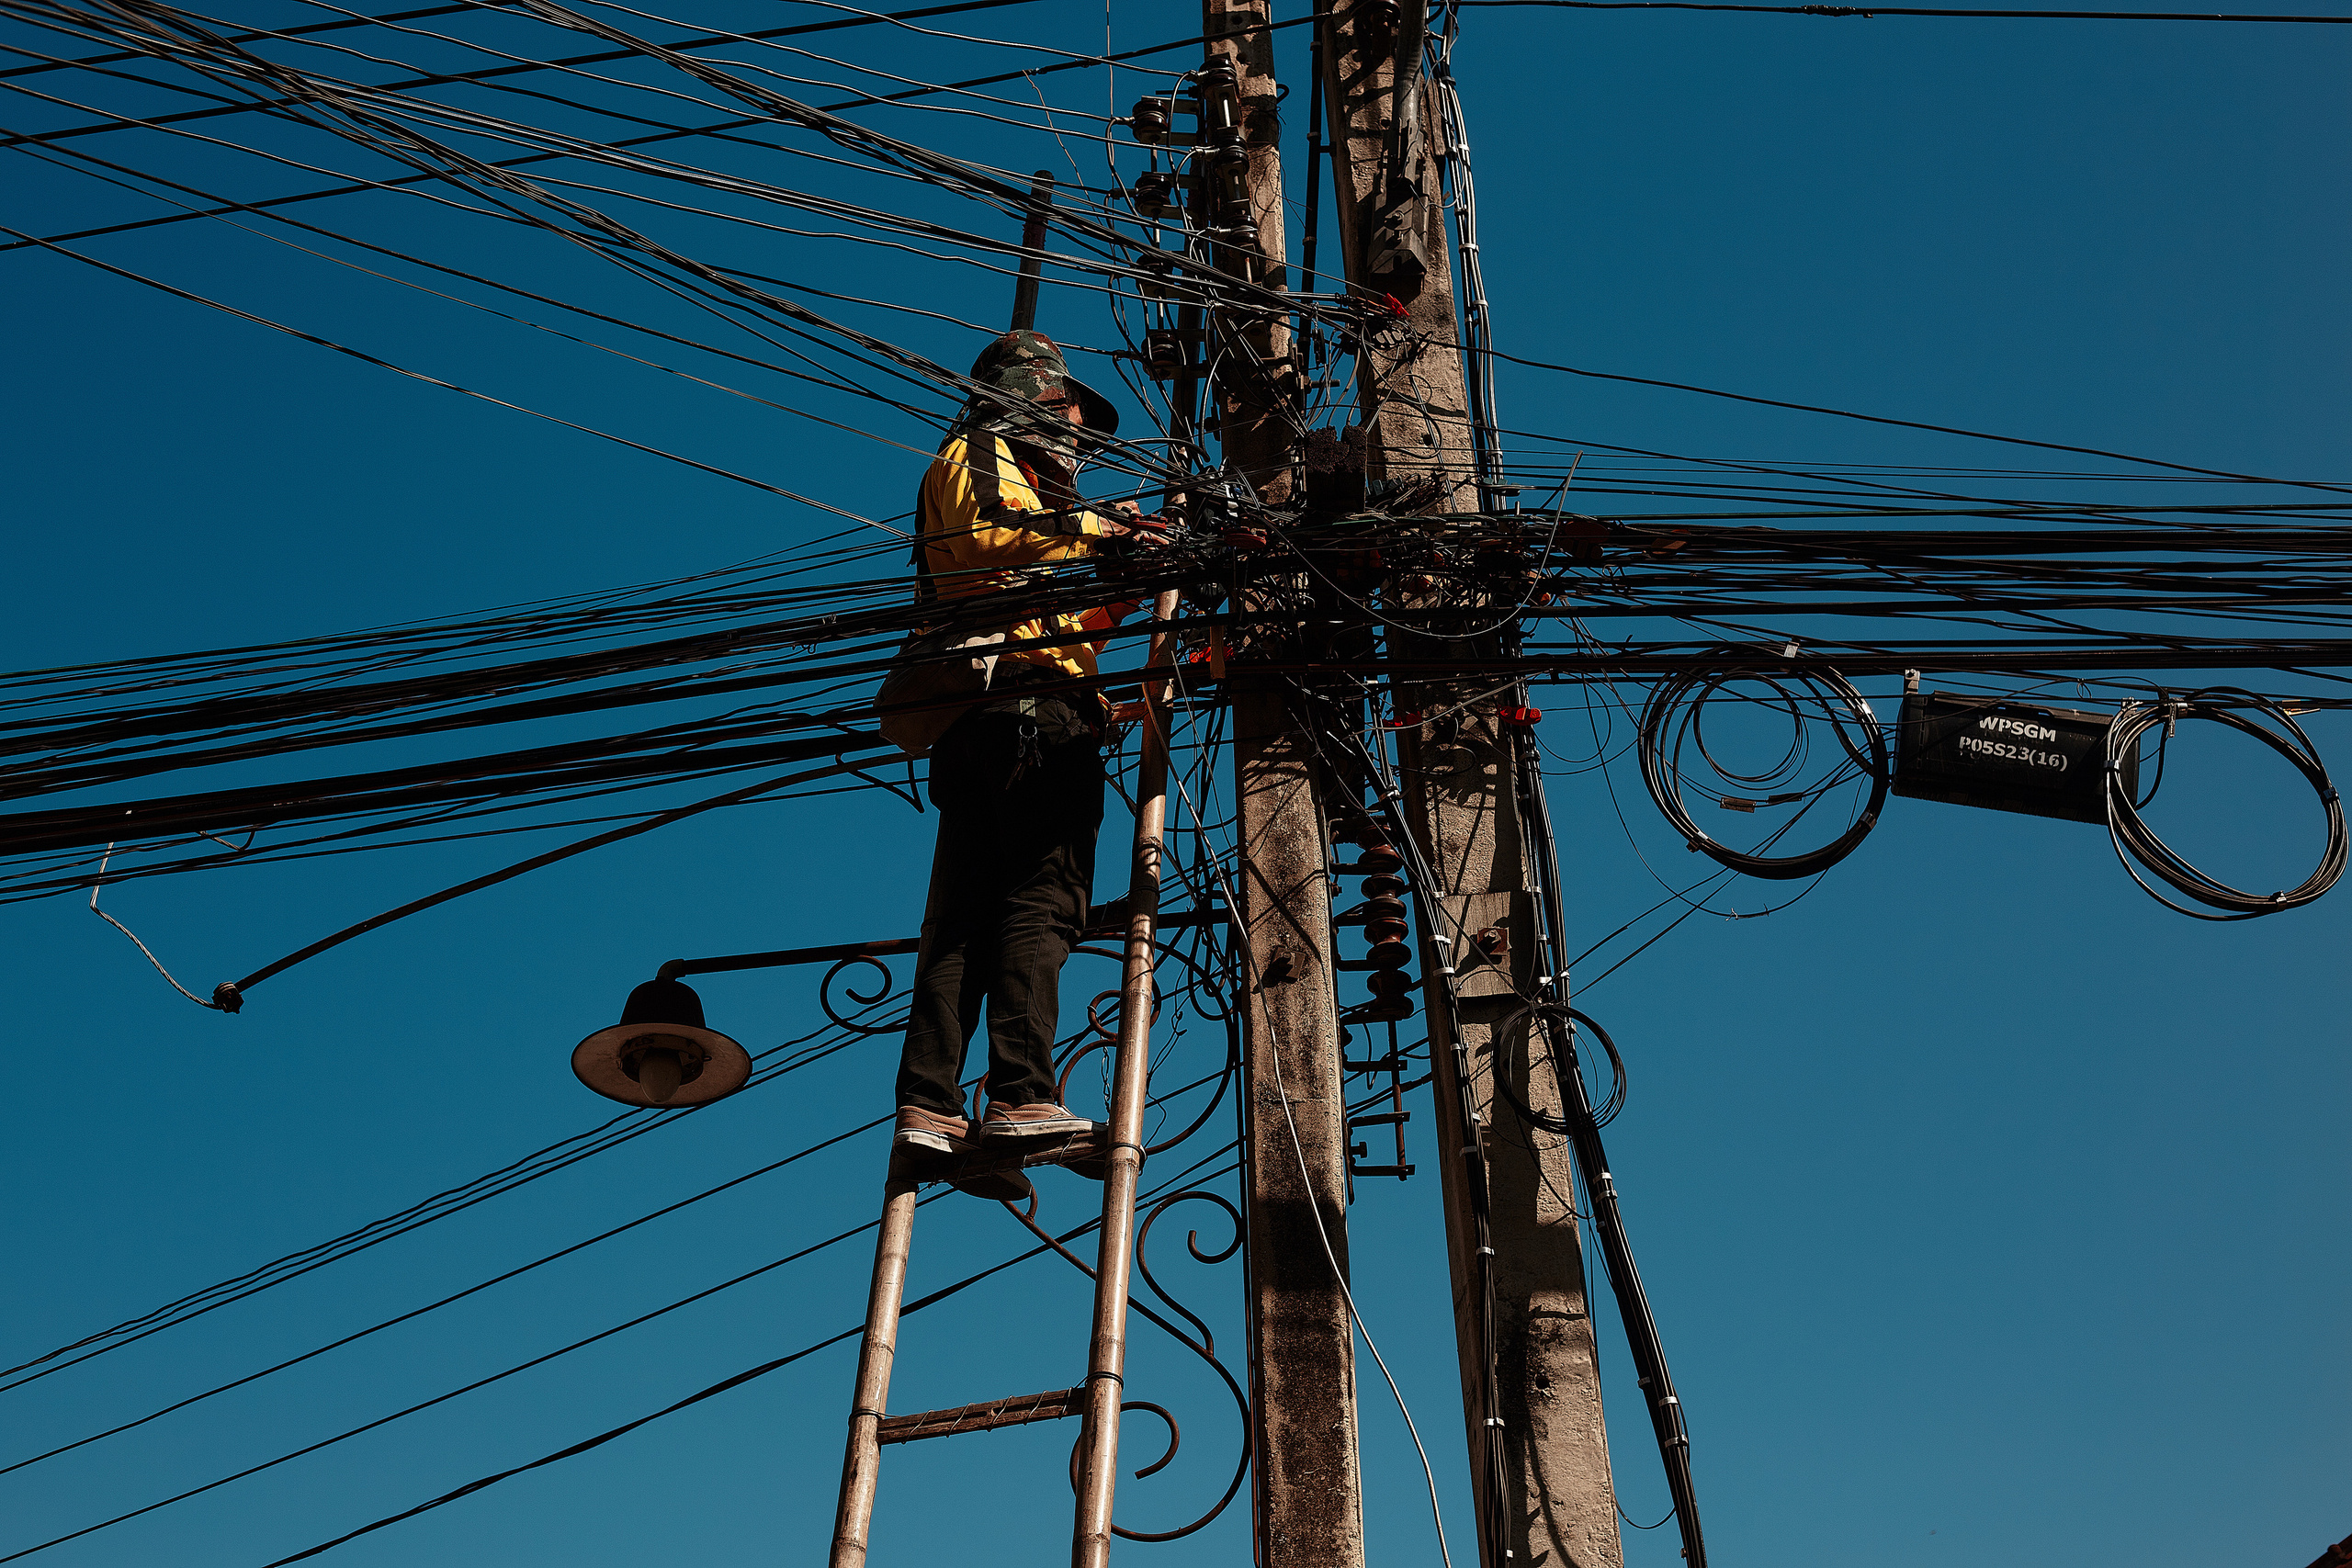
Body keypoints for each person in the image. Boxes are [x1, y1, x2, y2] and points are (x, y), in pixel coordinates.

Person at [892, 331, 1160, 1158]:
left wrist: (1121, 595)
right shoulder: (979, 453)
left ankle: (933, 1110)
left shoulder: (1039, 514)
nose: (1080, 434)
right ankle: (1019, 1096)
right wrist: (1106, 530)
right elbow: (988, 541)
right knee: (1039, 905)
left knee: (966, 922)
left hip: (999, 714)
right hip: (1020, 716)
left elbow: (1046, 616)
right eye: (1071, 413)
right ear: (1030, 401)